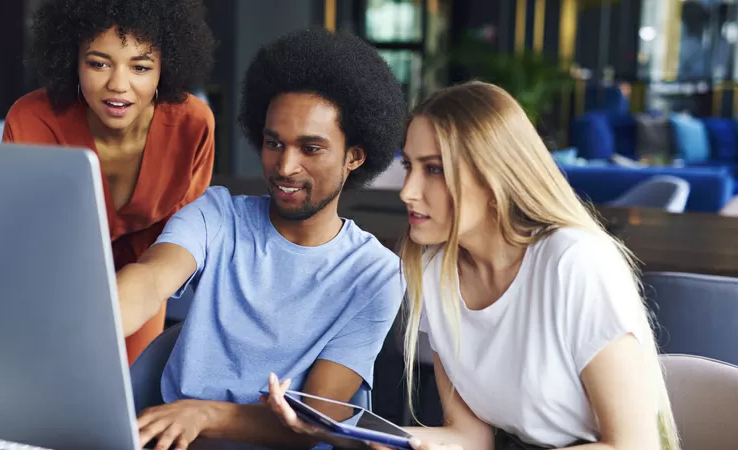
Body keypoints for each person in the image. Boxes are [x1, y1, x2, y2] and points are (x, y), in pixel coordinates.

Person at [266, 81, 681, 450]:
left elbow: (633, 443)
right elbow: (469, 437)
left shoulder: (573, 262)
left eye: (434, 170)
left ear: (493, 177)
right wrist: (382, 438)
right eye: (409, 166)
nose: (407, 191)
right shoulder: (434, 271)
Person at [123, 28, 408, 450]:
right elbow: (149, 280)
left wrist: (204, 414)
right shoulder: (217, 214)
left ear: (355, 156)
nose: (285, 166)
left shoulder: (375, 274)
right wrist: (83, 326)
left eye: (310, 148)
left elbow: (316, 418)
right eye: (274, 143)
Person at [2, 0, 217, 363]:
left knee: (128, 398)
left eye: (141, 66)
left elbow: (181, 237)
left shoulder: (192, 125)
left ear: (165, 67)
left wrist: (141, 289)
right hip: (48, 287)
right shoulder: (32, 121)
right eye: (98, 63)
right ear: (73, 59)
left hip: (143, 285)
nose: (118, 85)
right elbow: (20, 239)